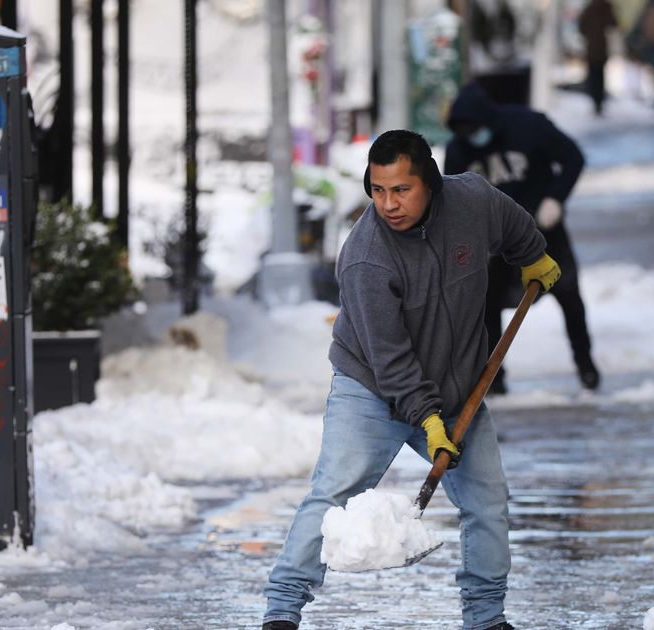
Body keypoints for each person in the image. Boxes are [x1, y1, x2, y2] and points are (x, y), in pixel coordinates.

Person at [261, 130, 561, 630]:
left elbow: (511, 223)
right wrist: (427, 419)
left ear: (431, 183)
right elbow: (391, 358)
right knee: (333, 493)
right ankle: (282, 609)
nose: (388, 204)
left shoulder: (472, 201)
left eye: (401, 189)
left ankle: (487, 618)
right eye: (378, 190)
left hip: (456, 391)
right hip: (372, 391)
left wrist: (532, 253)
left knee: (487, 501)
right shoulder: (365, 258)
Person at [444, 83, 600, 395]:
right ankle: (493, 379)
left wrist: (555, 199)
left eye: (475, 129)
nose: (473, 136)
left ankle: (586, 365)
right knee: (484, 303)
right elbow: (452, 199)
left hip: (544, 231)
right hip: (495, 243)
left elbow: (573, 158)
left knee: (568, 294)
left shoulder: (528, 126)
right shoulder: (459, 149)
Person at [578, 0, 619, 115]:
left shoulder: (589, 9)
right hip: (601, 48)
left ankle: (597, 101)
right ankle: (598, 101)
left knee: (594, 75)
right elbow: (614, 24)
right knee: (599, 75)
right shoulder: (605, 8)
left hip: (593, 48)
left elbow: (582, 28)